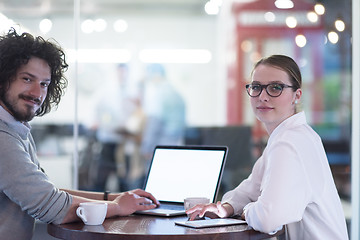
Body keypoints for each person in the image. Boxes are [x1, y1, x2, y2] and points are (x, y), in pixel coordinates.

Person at [0, 28, 159, 240]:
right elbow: (52, 207)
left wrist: (113, 197)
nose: (37, 93)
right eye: (27, 79)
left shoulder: (16, 127)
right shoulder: (3, 137)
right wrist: (116, 207)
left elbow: (46, 192)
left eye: (44, 84)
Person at [186, 55, 349, 239]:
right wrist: (225, 208)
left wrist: (247, 211)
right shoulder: (289, 136)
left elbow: (267, 218)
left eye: (275, 88)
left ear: (297, 96)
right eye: (256, 87)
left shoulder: (289, 142)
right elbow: (250, 189)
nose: (263, 96)